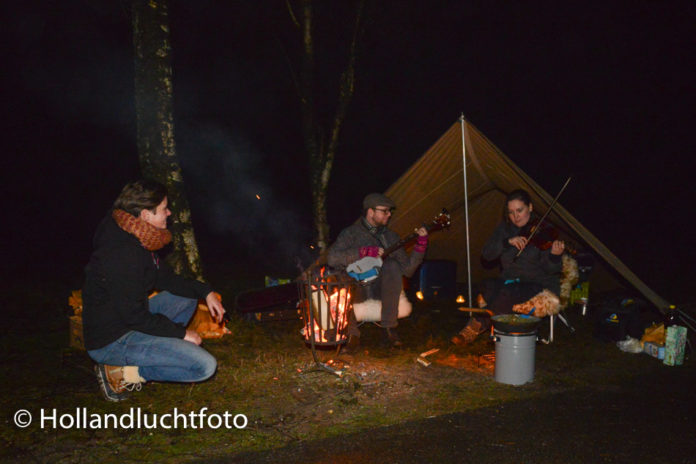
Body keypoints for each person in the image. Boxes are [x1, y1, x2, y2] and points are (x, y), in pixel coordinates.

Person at [82, 179, 226, 401]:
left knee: (187, 297)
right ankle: (124, 373)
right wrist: (181, 334)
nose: (169, 213)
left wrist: (205, 291)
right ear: (146, 215)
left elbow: (165, 278)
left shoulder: (137, 234)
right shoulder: (122, 254)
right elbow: (134, 316)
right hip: (111, 339)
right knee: (204, 366)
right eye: (163, 209)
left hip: (127, 318)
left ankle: (158, 348)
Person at [452, 189, 565, 345]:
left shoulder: (544, 231)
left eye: (520, 210)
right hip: (511, 280)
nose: (516, 216)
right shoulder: (505, 229)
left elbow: (551, 270)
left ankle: (476, 326)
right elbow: (487, 254)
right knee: (488, 287)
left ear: (530, 208)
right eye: (511, 212)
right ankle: (492, 323)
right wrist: (507, 242)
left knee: (507, 293)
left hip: (538, 283)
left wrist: (554, 256)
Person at [327, 193, 428, 352]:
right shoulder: (351, 233)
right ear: (370, 212)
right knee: (341, 277)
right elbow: (332, 258)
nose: (389, 214)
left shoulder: (390, 236)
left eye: (389, 211)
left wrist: (420, 246)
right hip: (355, 289)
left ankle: (389, 330)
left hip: (380, 290)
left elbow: (408, 270)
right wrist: (362, 252)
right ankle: (351, 335)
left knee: (392, 265)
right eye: (385, 211)